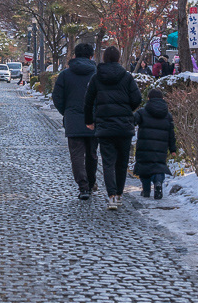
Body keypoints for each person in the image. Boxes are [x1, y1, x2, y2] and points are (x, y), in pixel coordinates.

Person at [84, 45, 143, 211]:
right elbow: (137, 98)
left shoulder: (97, 78)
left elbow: (88, 102)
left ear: (104, 59)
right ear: (118, 58)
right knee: (122, 163)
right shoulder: (127, 77)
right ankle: (119, 195)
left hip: (104, 125)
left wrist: (89, 120)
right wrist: (126, 109)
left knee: (108, 162)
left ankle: (111, 196)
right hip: (124, 125)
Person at [52, 43, 99, 200]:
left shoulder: (65, 75)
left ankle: (83, 187)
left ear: (75, 56)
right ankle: (91, 183)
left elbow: (57, 97)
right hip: (93, 119)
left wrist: (66, 112)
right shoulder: (97, 73)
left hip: (73, 120)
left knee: (77, 155)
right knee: (92, 154)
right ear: (91, 56)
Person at [132, 87, 178, 200]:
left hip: (145, 146)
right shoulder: (168, 115)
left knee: (145, 168)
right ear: (162, 98)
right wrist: (172, 149)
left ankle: (146, 190)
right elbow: (171, 134)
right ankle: (158, 183)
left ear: (148, 98)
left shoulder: (142, 112)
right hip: (161, 147)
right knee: (159, 167)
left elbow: (132, 121)